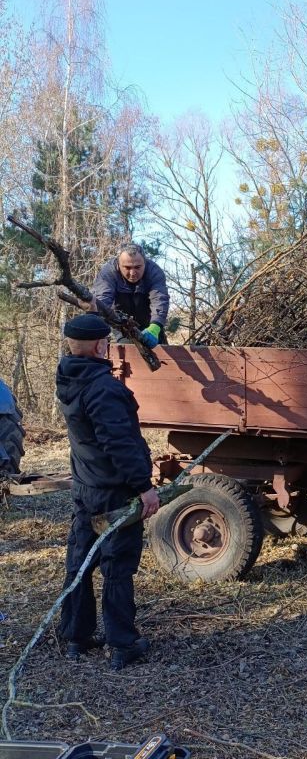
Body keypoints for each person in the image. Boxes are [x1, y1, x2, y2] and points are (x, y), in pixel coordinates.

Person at [56, 313, 160, 670]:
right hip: (114, 493)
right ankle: (123, 644)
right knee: (117, 565)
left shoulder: (68, 378)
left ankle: (76, 636)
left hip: (85, 487)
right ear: (101, 345)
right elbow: (119, 443)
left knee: (81, 561)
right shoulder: (103, 388)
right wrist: (144, 488)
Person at [92, 244, 169, 347]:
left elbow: (159, 299)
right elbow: (102, 300)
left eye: (137, 267)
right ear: (118, 264)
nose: (133, 273)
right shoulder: (108, 273)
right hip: (121, 323)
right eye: (127, 268)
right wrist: (96, 327)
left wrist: (155, 326)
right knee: (129, 350)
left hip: (150, 320)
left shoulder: (154, 272)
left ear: (145, 263)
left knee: (161, 353)